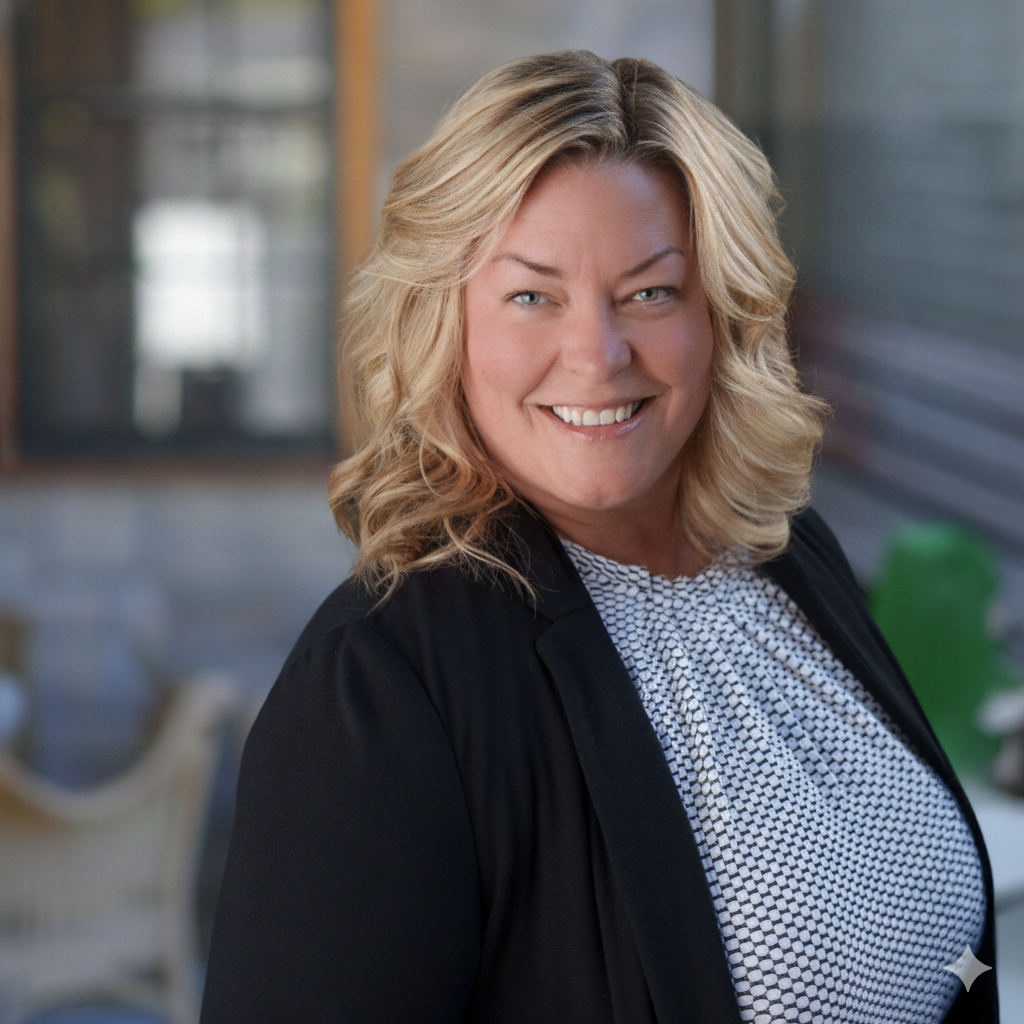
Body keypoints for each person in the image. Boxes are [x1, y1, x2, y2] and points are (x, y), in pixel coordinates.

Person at [200, 51, 997, 1023]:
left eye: (650, 292)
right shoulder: (377, 687)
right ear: (444, 323)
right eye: (532, 295)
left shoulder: (788, 557)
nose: (597, 355)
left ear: (720, 312)